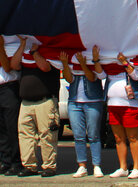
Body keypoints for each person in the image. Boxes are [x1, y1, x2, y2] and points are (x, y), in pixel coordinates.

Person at [12, 37, 61, 177]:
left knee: (47, 135)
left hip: (44, 102)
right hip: (26, 102)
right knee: (25, 135)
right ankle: (29, 165)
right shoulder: (25, 52)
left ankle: (49, 166)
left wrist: (35, 53)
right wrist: (22, 45)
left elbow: (45, 67)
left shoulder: (49, 51)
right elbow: (14, 65)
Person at [60, 45, 106, 178]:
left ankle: (97, 165)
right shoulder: (72, 64)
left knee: (93, 134)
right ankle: (82, 166)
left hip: (93, 101)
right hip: (74, 102)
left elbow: (92, 78)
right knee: (78, 136)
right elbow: (69, 79)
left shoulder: (91, 62)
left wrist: (82, 64)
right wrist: (64, 63)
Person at [108, 52, 138, 179]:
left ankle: (136, 168)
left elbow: (136, 76)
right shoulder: (108, 60)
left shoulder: (133, 57)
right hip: (113, 104)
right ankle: (122, 167)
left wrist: (125, 62)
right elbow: (101, 75)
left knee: (133, 137)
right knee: (118, 138)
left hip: (131, 104)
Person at [0, 35, 23, 175]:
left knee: (11, 127)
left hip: (9, 88)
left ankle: (16, 162)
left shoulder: (10, 45)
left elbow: (7, 68)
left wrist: (1, 46)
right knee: (1, 128)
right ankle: (5, 161)